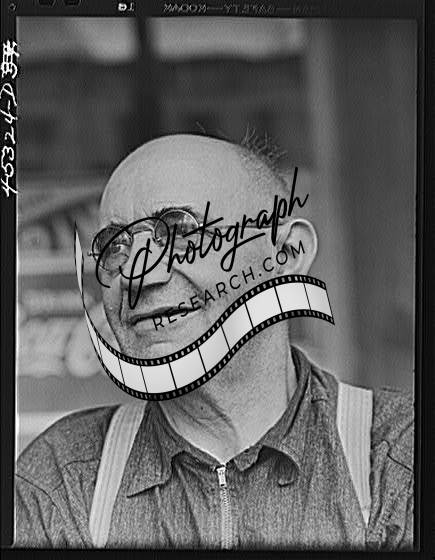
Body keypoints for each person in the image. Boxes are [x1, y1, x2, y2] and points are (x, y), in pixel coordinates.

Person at [15, 134, 414, 550]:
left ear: (287, 254)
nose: (137, 275)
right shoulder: (64, 479)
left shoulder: (398, 458)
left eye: (179, 231)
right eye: (115, 246)